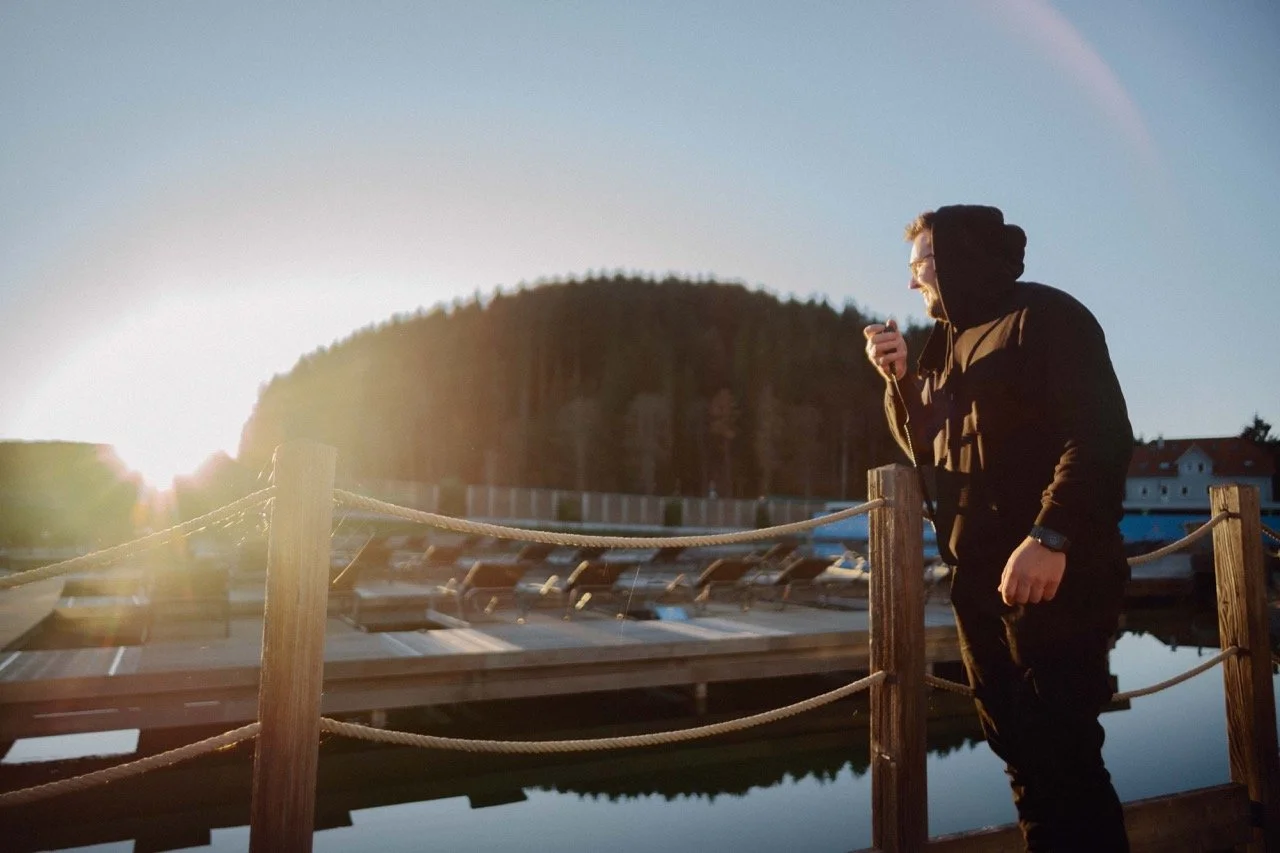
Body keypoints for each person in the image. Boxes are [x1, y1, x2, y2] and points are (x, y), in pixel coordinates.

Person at [863, 205, 1133, 851]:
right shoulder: (947, 346)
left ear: (954, 258)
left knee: (1066, 756)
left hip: (1056, 581)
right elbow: (925, 445)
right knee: (1020, 757)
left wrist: (1051, 536)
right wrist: (899, 379)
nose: (912, 283)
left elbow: (1100, 436)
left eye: (920, 265)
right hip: (980, 587)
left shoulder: (1047, 317)